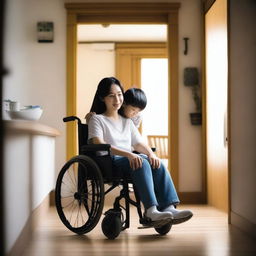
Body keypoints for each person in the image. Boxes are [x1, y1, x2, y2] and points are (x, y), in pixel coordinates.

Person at [88, 77, 193, 224]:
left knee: (156, 162)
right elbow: (99, 143)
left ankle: (169, 207)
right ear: (102, 98)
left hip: (128, 159)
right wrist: (129, 154)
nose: (117, 99)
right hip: (108, 161)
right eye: (111, 95)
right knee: (141, 162)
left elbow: (138, 143)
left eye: (119, 94)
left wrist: (151, 154)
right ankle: (150, 211)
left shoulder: (127, 121)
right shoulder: (97, 119)